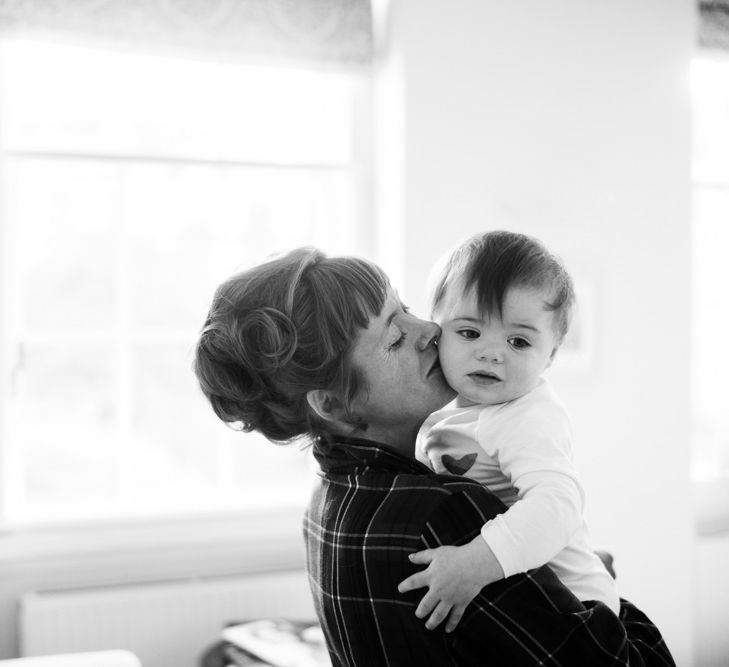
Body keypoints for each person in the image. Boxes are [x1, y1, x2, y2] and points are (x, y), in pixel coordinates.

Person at [193, 247, 674, 666]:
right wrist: (606, 590)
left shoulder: (326, 502)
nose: (427, 329)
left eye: (404, 308)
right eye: (394, 337)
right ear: (335, 404)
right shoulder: (444, 515)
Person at [399, 230, 619, 636]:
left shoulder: (524, 416)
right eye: (469, 332)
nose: (491, 352)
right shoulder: (440, 406)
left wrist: (473, 564)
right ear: (436, 330)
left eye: (518, 341)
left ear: (550, 354)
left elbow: (558, 506)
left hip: (574, 609)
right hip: (522, 594)